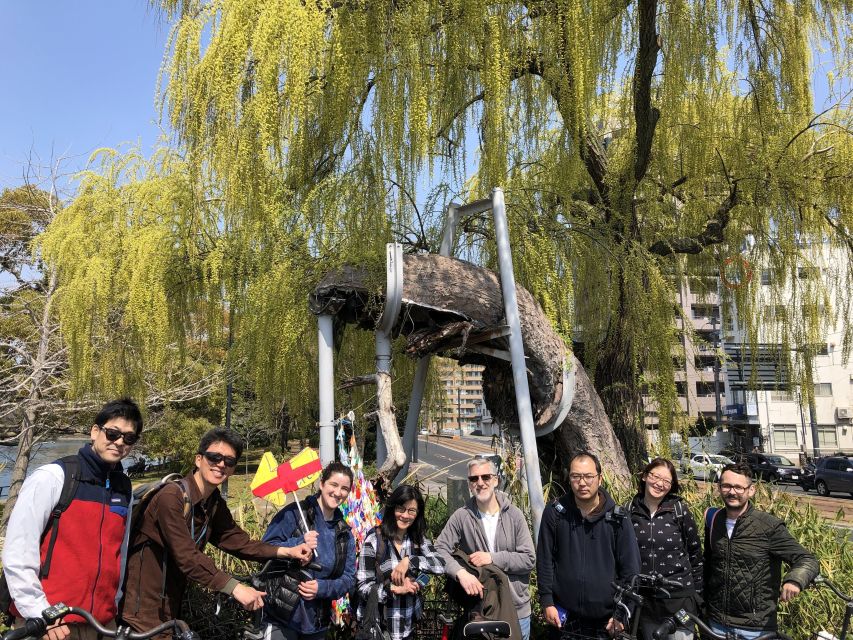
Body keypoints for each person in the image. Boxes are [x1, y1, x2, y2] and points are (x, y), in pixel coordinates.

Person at [119, 428, 312, 637]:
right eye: (214, 457)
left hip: (170, 605)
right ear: (199, 459)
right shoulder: (170, 498)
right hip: (141, 609)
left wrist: (287, 551)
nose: (221, 464)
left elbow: (239, 542)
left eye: (229, 461)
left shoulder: (212, 503)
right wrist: (235, 588)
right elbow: (187, 557)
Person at [3, 398, 143, 640]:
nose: (119, 442)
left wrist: (114, 606)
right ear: (95, 431)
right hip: (50, 625)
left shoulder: (123, 488)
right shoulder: (54, 477)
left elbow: (118, 555)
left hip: (101, 625)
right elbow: (18, 553)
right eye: (113, 433)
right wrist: (40, 613)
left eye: (129, 438)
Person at [704, 462, 819, 639]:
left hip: (754, 628)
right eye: (726, 486)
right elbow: (708, 564)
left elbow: (806, 559)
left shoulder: (769, 527)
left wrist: (795, 580)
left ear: (751, 490)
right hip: (716, 623)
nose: (732, 492)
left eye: (738, 487)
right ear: (719, 488)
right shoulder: (714, 519)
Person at [537, 451, 640, 640]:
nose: (582, 483)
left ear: (599, 479)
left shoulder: (617, 518)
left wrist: (622, 614)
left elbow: (631, 571)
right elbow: (545, 560)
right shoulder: (555, 512)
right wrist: (546, 601)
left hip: (606, 621)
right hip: (564, 618)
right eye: (576, 476)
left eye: (588, 476)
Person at [435, 455, 535, 640]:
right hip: (481, 610)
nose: (480, 483)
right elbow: (439, 550)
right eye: (474, 478)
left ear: (495, 480)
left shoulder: (514, 516)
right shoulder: (462, 516)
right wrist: (460, 573)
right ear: (469, 484)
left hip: (516, 609)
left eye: (485, 477)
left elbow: (529, 559)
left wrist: (493, 557)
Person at [262, 461, 357, 640]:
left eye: (344, 488)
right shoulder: (294, 515)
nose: (338, 492)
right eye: (334, 484)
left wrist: (323, 588)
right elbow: (264, 550)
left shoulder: (345, 533)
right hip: (281, 617)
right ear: (322, 484)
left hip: (316, 623)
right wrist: (298, 542)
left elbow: (349, 579)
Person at [356, 484, 445, 640]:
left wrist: (410, 561)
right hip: (379, 628)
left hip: (407, 627)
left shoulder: (418, 539)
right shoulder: (375, 541)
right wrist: (393, 590)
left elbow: (440, 564)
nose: (405, 515)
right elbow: (363, 586)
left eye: (412, 511)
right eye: (401, 509)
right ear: (392, 509)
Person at [626, 458, 703, 640]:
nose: (659, 484)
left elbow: (696, 556)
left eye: (666, 481)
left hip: (679, 600)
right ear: (645, 476)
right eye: (655, 476)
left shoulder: (679, 510)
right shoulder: (629, 510)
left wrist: (698, 597)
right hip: (646, 601)